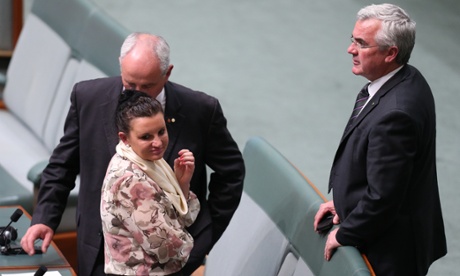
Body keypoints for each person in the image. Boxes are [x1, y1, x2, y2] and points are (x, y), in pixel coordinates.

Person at [20, 33, 245, 276]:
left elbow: (231, 174)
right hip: (97, 253)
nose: (136, 93)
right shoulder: (87, 98)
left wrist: (205, 236)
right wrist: (44, 217)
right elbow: (62, 166)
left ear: (167, 73)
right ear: (120, 65)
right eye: (129, 84)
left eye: (147, 86)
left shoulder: (201, 110)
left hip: (170, 263)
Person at [313, 4, 447, 276]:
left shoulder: (396, 114)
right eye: (353, 39)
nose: (351, 50)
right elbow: (385, 175)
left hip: (388, 255)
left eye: (362, 44)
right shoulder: (407, 78)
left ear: (391, 53)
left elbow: (384, 197)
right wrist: (344, 202)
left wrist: (345, 233)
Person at [101, 90, 199, 275]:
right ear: (124, 138)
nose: (158, 142)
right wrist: (190, 241)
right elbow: (167, 248)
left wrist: (181, 184)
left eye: (161, 131)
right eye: (146, 137)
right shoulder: (131, 180)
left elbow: (186, 216)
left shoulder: (147, 162)